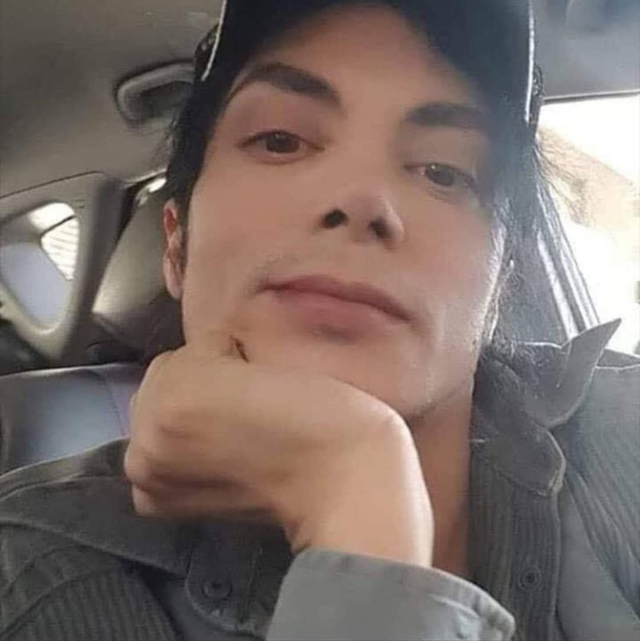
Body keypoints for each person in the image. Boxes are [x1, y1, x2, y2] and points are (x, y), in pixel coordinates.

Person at [1, 1, 638, 639]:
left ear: (501, 282)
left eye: (443, 173)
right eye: (280, 140)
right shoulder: (31, 573)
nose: (362, 200)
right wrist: (357, 494)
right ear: (176, 246)